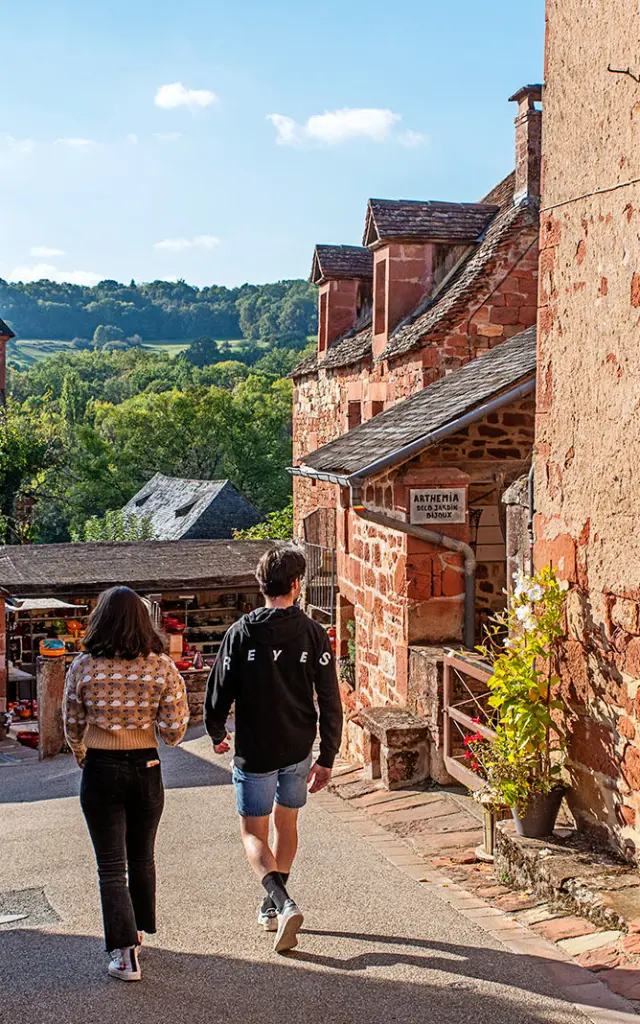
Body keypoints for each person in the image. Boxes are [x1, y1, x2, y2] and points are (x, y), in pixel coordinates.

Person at [205, 543, 343, 954]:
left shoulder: (241, 632)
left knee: (252, 832)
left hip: (256, 749)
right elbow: (330, 698)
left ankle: (280, 903)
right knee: (287, 826)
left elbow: (218, 690)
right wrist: (328, 757)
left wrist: (216, 732)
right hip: (298, 747)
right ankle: (272, 905)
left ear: (261, 585)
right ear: (297, 584)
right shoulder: (313, 633)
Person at [63, 586, 189, 982]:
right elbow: (174, 730)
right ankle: (137, 931)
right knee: (141, 857)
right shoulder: (161, 667)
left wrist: (83, 753)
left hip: (101, 766)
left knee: (111, 866)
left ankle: (124, 953)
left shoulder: (83, 666)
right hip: (146, 765)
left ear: (99, 620)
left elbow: (71, 723)